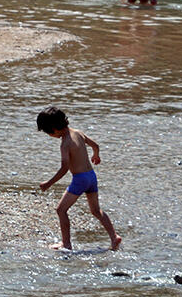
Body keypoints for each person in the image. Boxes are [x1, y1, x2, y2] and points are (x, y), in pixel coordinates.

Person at [37, 106, 122, 251]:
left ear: (54, 129)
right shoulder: (78, 133)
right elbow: (95, 145)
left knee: (61, 210)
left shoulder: (65, 143)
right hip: (91, 176)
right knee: (96, 210)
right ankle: (114, 237)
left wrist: (48, 183)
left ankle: (66, 244)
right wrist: (96, 155)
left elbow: (64, 168)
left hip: (80, 179)